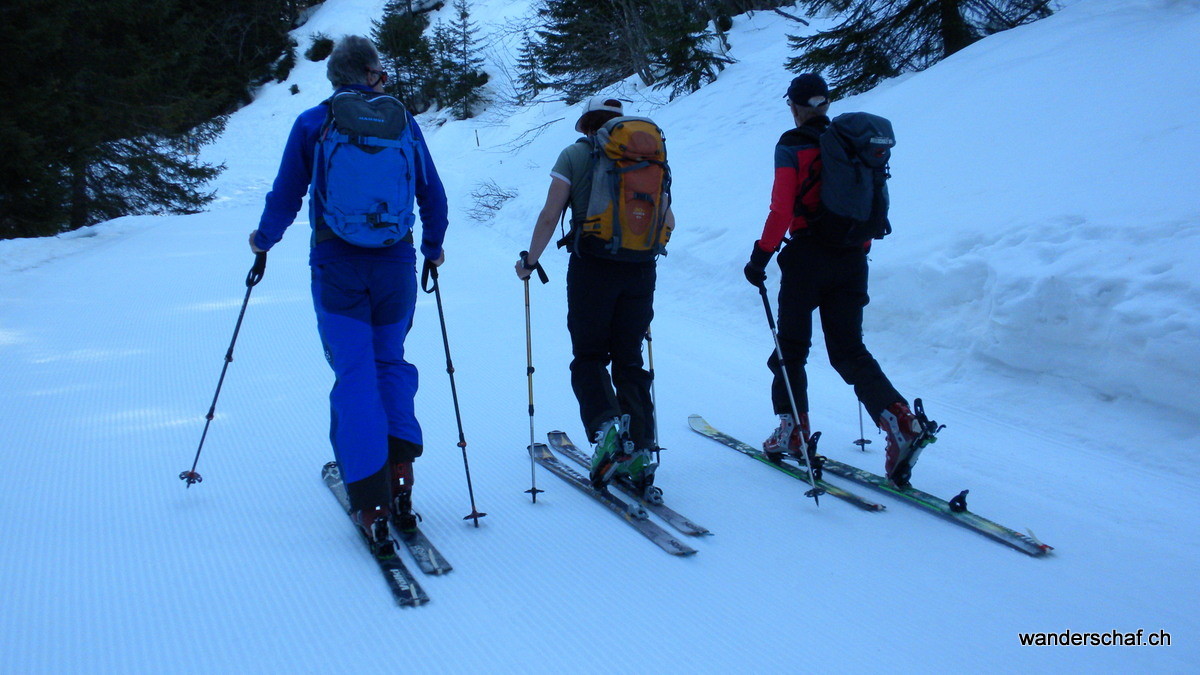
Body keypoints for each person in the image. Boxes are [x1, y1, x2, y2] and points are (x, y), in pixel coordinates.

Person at [249, 36, 448, 556]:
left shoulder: (314, 123)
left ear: (336, 76)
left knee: (355, 374)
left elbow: (286, 194)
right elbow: (433, 193)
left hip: (337, 267)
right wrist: (432, 247)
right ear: (371, 73)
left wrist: (263, 241)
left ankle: (372, 502)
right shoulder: (403, 121)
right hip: (396, 267)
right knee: (390, 366)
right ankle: (400, 483)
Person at [743, 73, 936, 488]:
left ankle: (792, 429)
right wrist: (854, 252)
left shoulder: (792, 145)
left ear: (793, 106)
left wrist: (760, 258)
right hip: (852, 258)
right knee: (849, 350)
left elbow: (781, 209)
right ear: (825, 104)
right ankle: (900, 420)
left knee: (791, 348)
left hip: (807, 257)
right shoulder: (852, 145)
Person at [515, 96, 675, 500]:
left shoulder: (576, 154)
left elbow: (551, 213)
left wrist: (529, 262)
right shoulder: (648, 156)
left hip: (593, 268)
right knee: (629, 359)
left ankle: (607, 431)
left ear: (587, 123)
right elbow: (668, 219)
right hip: (641, 268)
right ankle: (639, 450)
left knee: (588, 356)